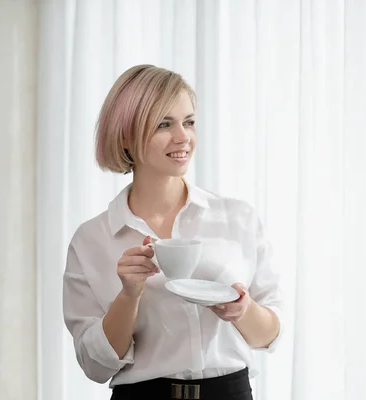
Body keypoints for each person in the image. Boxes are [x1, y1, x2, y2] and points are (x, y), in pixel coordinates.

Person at [62, 65, 283, 400]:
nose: (183, 137)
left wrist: (241, 310)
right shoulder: (92, 239)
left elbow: (269, 334)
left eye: (189, 122)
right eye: (164, 124)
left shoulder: (237, 219)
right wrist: (129, 295)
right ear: (125, 135)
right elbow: (95, 367)